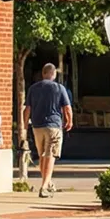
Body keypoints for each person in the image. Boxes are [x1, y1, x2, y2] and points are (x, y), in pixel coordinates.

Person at [22, 64, 73, 198]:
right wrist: (69, 121)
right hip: (53, 125)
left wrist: (25, 124)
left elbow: (27, 109)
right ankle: (44, 186)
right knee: (50, 155)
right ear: (54, 74)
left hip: (37, 126)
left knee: (42, 156)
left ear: (43, 73)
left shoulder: (33, 88)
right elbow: (67, 108)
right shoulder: (59, 88)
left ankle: (48, 183)